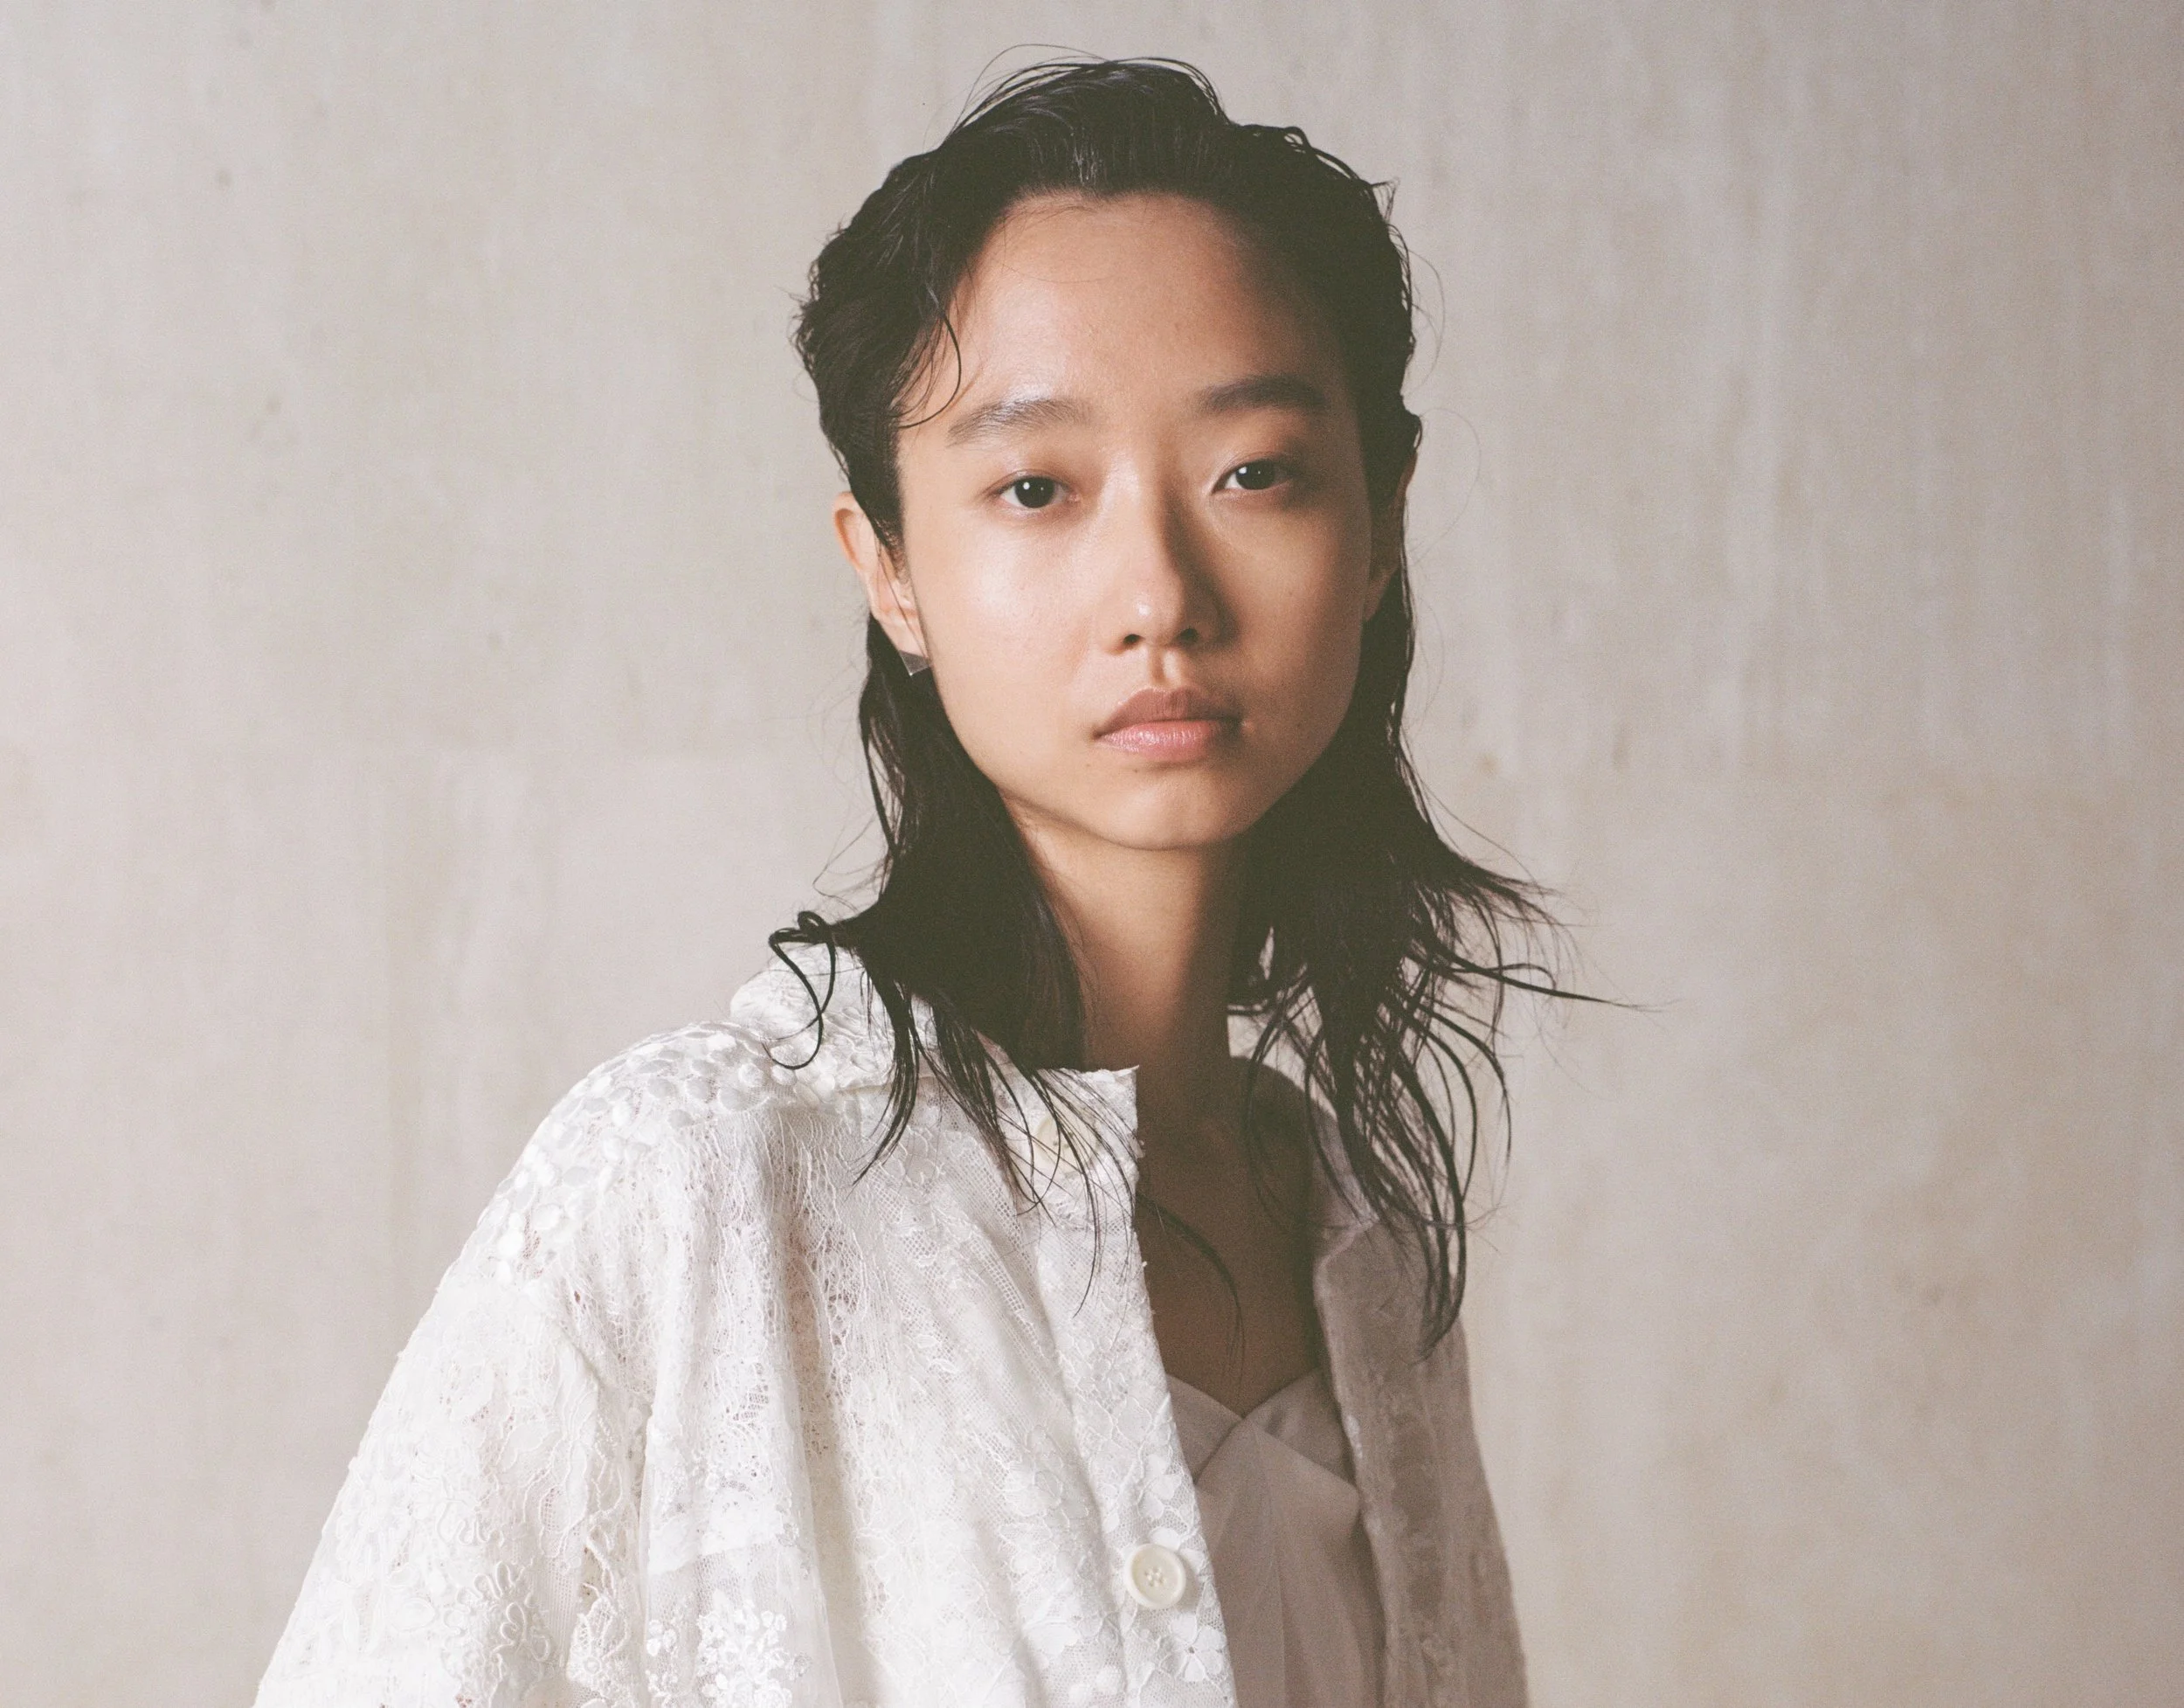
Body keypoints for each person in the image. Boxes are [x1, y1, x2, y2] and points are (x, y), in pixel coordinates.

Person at [257, 57, 1563, 1708]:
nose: (1157, 591)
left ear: (1378, 525)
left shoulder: (1361, 1250)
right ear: (888, 567)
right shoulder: (692, 1185)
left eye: (1255, 472)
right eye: (1037, 489)